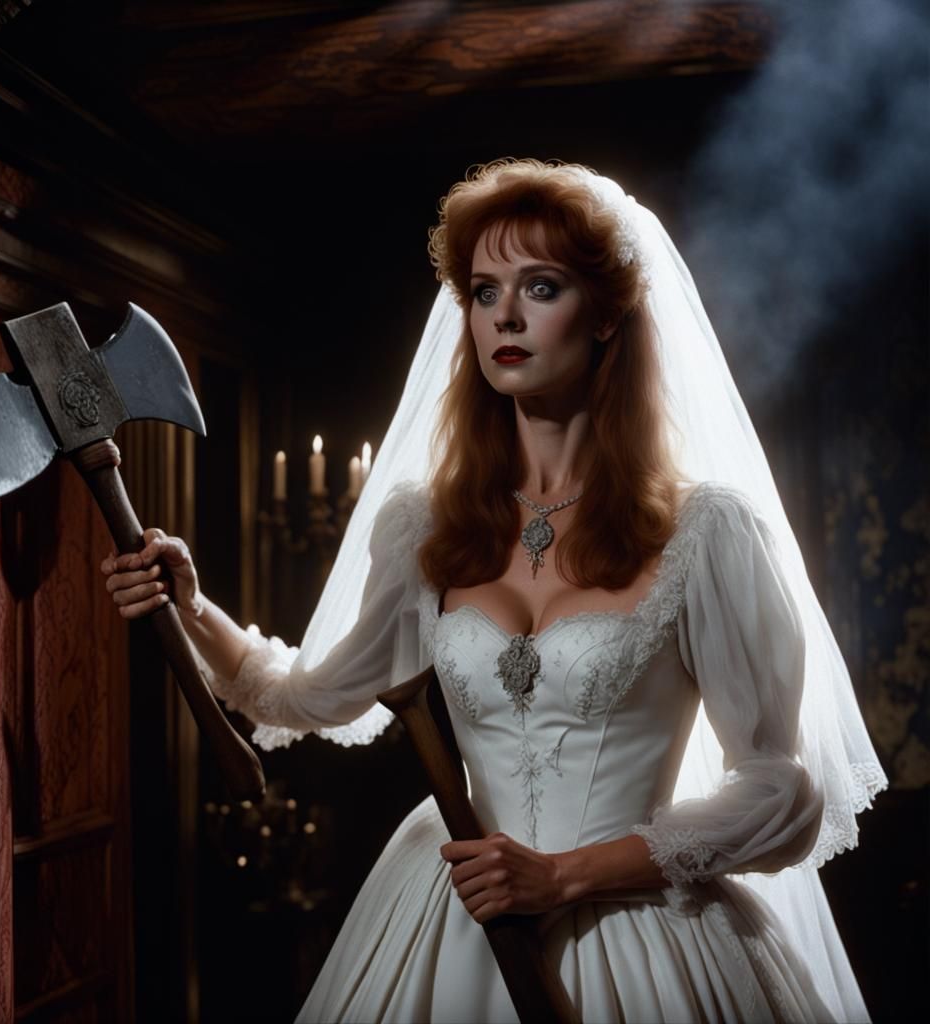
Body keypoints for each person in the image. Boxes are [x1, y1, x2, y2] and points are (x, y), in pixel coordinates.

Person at [102, 160, 885, 1023]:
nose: (504, 316)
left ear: (607, 314)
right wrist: (191, 605)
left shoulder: (707, 532)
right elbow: (310, 695)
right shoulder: (425, 525)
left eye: (541, 287)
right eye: (483, 291)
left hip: (637, 927)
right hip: (454, 911)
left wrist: (565, 876)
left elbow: (780, 792)